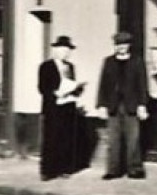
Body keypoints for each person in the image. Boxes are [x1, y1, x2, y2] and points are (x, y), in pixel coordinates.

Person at [95, 31, 149, 180]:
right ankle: (113, 170)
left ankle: (135, 169)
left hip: (131, 105)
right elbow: (103, 85)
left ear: (129, 45)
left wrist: (142, 105)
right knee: (113, 139)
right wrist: (101, 105)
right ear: (115, 46)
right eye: (119, 44)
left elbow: (142, 85)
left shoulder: (137, 61)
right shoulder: (108, 62)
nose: (121, 47)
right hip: (113, 105)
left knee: (133, 139)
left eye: (124, 44)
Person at [37, 35, 84, 180]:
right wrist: (55, 93)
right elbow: (42, 87)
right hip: (53, 107)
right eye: (63, 49)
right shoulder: (46, 66)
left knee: (66, 138)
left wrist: (77, 89)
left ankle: (64, 168)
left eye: (68, 50)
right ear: (55, 50)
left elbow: (72, 84)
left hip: (68, 106)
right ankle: (48, 171)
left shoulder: (70, 67)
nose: (66, 53)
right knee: (51, 138)